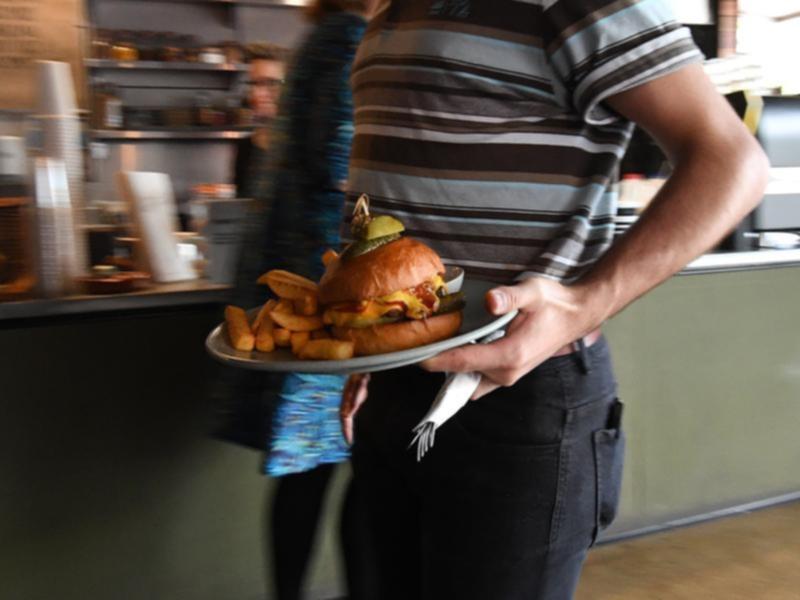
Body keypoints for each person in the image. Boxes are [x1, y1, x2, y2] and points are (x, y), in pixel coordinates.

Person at [339, 1, 769, 599]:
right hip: (394, 382)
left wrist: (583, 303)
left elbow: (732, 161)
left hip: (519, 392)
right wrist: (362, 342)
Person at [214, 3, 375, 599]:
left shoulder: (322, 37)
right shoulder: (350, 40)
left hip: (307, 281)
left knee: (316, 468)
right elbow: (342, 167)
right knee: (361, 462)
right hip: (324, 290)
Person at [233, 43, 287, 201]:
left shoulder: (306, 147)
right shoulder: (246, 147)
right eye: (253, 84)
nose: (257, 93)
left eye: (271, 83)